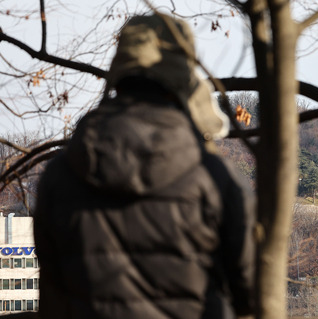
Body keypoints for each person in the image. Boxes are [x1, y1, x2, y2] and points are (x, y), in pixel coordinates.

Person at [33, 13, 255, 319]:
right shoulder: (215, 180)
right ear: (184, 80)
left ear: (118, 73)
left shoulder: (59, 178)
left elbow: (53, 303)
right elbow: (251, 295)